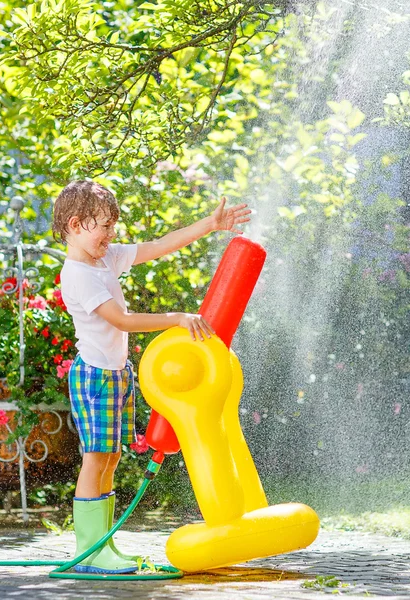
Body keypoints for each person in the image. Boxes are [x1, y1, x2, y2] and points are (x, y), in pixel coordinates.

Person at [52, 180, 251, 574]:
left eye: (112, 226)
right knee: (96, 459)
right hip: (95, 377)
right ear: (76, 225)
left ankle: (102, 545)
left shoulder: (103, 260)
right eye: (104, 226)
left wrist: (209, 225)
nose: (111, 234)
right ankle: (88, 551)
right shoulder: (78, 274)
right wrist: (177, 318)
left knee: (110, 458)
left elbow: (158, 246)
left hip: (115, 373)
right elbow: (121, 320)